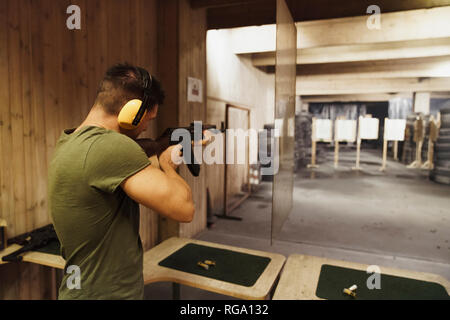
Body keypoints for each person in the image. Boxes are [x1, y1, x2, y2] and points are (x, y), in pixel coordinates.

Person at [48, 63, 195, 300]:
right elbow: (184, 209)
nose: (147, 125)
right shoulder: (111, 146)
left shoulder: (69, 141)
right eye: (148, 118)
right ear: (132, 111)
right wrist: (168, 164)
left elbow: (132, 173)